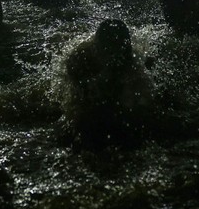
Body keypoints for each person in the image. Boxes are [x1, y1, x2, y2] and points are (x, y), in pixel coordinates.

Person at [58, 19, 155, 149]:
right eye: (109, 51)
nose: (113, 56)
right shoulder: (80, 58)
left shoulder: (131, 63)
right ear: (97, 49)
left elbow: (144, 102)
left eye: (116, 50)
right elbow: (72, 102)